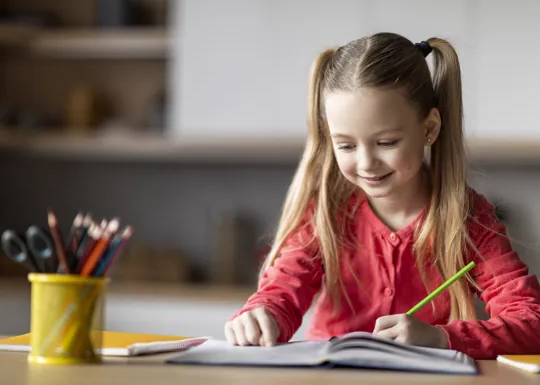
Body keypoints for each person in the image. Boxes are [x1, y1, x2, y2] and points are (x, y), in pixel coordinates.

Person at [224, 32, 540, 359]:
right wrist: (262, 316)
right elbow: (280, 295)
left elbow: (531, 322)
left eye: (386, 142)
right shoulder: (325, 214)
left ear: (429, 129)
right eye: (345, 145)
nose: (366, 163)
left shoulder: (468, 217)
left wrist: (441, 337)